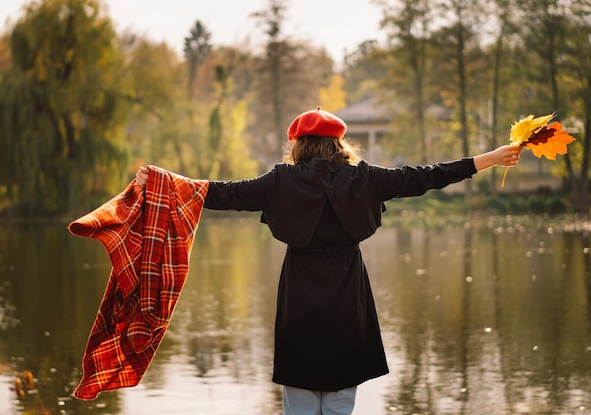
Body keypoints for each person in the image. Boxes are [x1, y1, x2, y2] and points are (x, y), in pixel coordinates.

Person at [135, 107, 521, 415]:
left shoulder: (280, 181)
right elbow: (425, 177)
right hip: (347, 295)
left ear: (299, 145)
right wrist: (489, 159)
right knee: (338, 402)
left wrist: (159, 182)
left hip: (299, 295)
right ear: (339, 145)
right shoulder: (365, 179)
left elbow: (220, 193)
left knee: (301, 402)